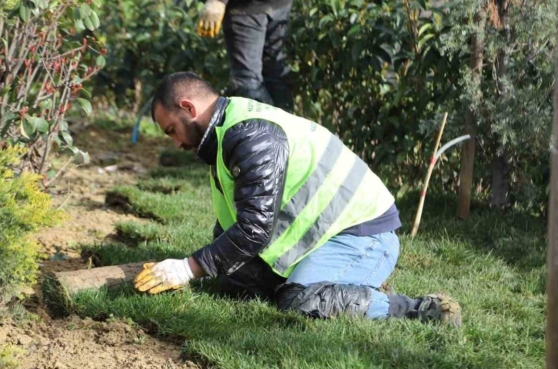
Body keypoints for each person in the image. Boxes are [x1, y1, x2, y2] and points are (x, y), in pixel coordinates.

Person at [134, 72, 461, 326]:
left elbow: (253, 231)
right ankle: (346, 287)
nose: (175, 143)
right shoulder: (227, 131)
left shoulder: (251, 137)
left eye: (171, 130)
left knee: (301, 302)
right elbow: (235, 227)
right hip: (327, 234)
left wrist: (189, 268)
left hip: (363, 237)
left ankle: (417, 309)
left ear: (188, 108)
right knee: (236, 279)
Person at [196, 0, 294, 111]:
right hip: (277, 4)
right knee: (274, 71)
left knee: (248, 79)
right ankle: (285, 124)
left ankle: (264, 125)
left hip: (246, 7)